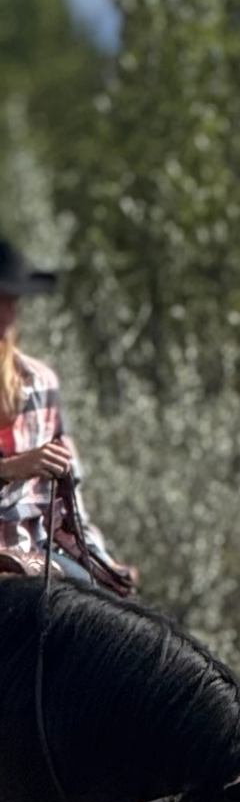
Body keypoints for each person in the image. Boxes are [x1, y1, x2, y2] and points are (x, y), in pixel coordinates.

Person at [0, 236, 136, 595]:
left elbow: (68, 506)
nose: (5, 314)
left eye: (10, 301)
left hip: (33, 561)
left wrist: (102, 563)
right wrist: (9, 470)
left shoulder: (41, 384)